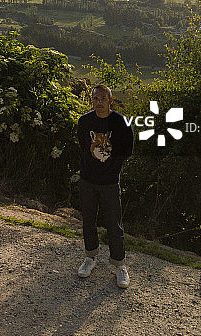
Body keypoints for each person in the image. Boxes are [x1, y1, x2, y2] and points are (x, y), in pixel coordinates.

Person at [76, 83, 134, 288]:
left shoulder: (121, 122)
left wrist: (111, 168)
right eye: (95, 99)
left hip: (110, 182)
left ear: (110, 101)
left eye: (103, 99)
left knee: (114, 224)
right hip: (88, 181)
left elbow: (127, 150)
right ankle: (90, 258)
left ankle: (120, 266)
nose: (99, 103)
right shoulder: (84, 122)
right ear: (91, 100)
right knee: (88, 221)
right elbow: (84, 146)